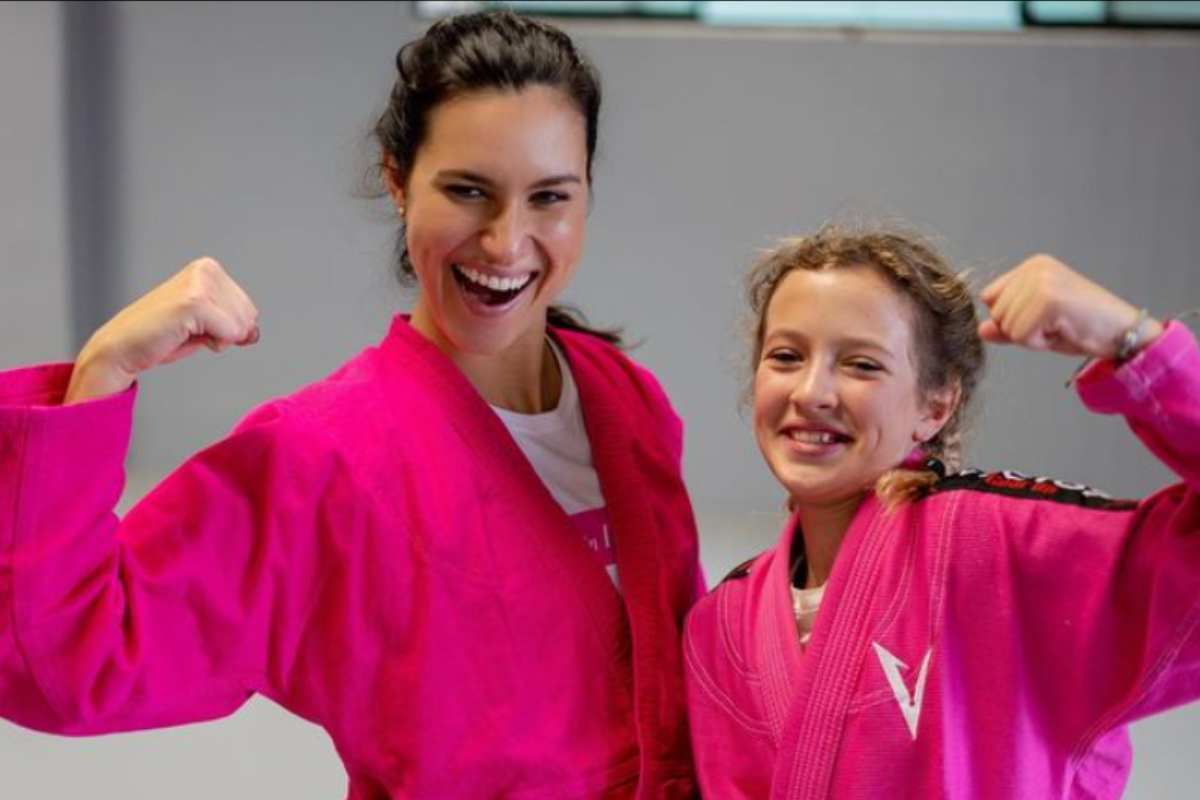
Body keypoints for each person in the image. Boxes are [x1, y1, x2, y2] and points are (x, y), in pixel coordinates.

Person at [0, 10, 704, 799]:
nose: (507, 242)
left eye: (549, 197)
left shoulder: (628, 404)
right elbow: (66, 663)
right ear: (398, 180)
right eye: (468, 191)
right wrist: (105, 366)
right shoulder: (321, 459)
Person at [683, 226, 1200, 799]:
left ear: (935, 405)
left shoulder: (995, 548)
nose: (811, 392)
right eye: (785, 356)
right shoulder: (720, 625)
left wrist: (1135, 342)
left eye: (861, 365)